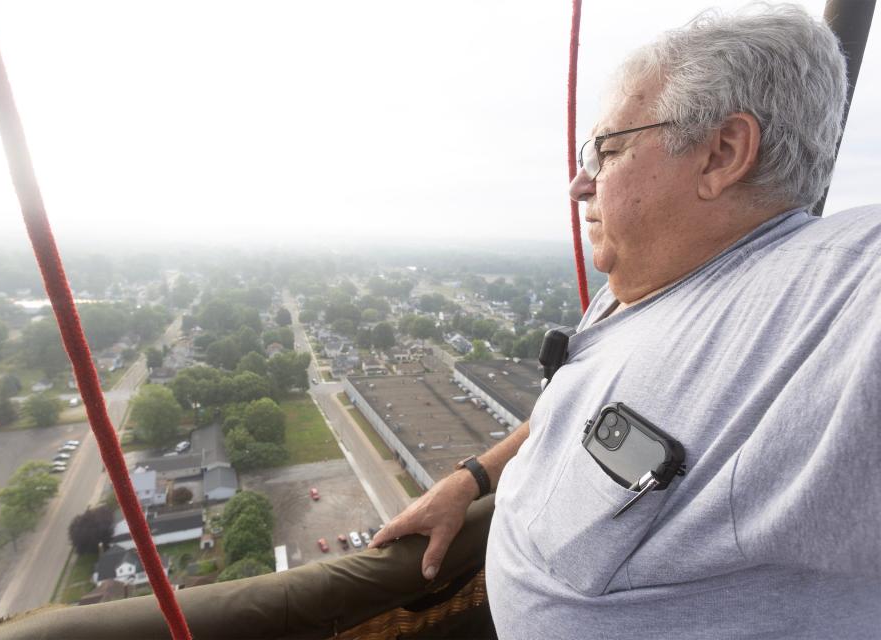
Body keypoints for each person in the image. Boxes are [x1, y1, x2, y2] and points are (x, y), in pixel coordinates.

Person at [371, 4, 881, 638]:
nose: (580, 185)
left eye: (606, 151)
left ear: (722, 153)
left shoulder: (833, 295)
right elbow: (579, 412)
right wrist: (472, 478)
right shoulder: (644, 283)